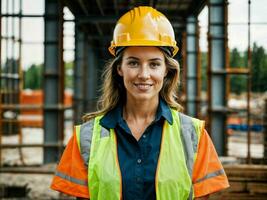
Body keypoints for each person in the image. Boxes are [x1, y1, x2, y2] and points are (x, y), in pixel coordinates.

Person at [50, 6, 229, 200]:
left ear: (166, 70)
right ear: (120, 68)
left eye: (154, 64)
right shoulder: (85, 138)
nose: (144, 75)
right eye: (133, 63)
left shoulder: (193, 135)